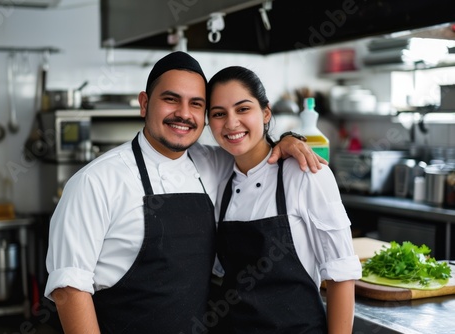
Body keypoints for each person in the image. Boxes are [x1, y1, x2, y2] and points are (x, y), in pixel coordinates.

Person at [44, 52, 325, 333]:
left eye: (196, 104)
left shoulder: (212, 164)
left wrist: (289, 140)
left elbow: (255, 152)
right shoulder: (95, 181)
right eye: (170, 99)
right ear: (144, 104)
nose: (184, 113)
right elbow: (69, 288)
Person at [206, 66, 362, 334]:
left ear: (266, 112)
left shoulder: (306, 173)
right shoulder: (218, 180)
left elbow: (341, 273)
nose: (231, 123)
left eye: (243, 109)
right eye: (219, 114)